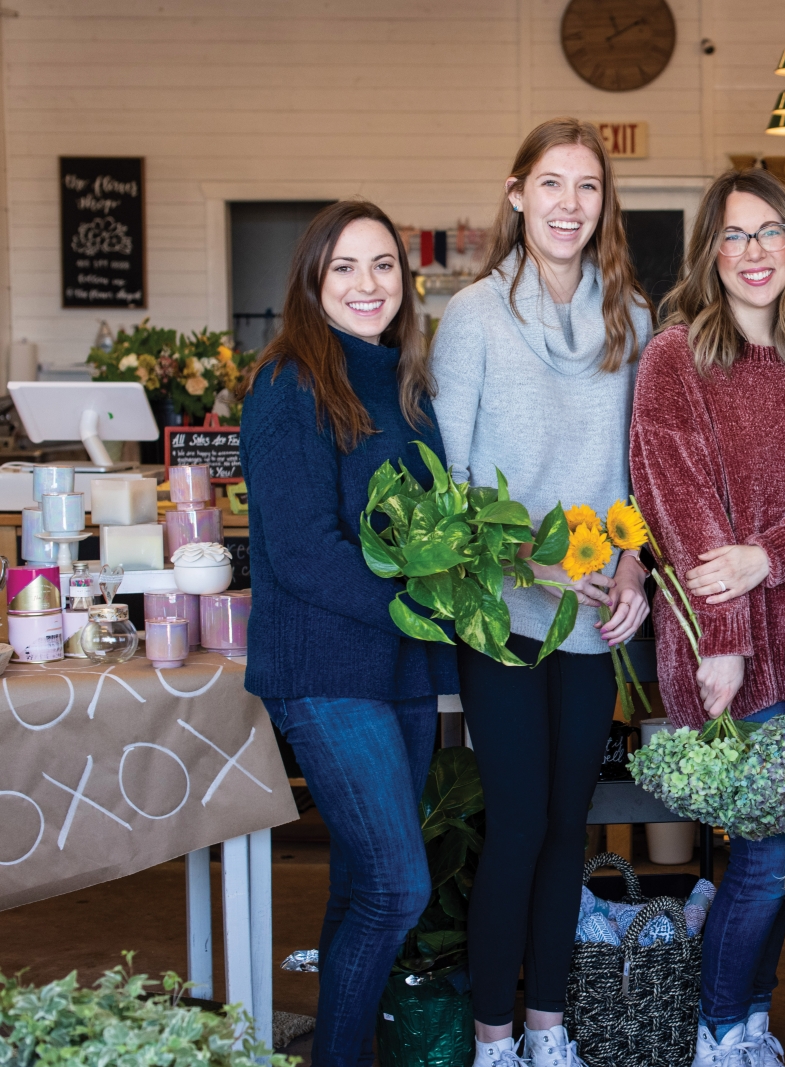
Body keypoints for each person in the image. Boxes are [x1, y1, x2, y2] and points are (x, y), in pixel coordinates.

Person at [630, 166, 785, 1067]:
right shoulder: (676, 358)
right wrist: (722, 640)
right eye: (734, 236)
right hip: (727, 649)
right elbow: (676, 504)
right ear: (710, 254)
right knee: (767, 859)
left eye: (771, 233)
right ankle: (722, 1026)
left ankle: (751, 1024)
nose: (754, 252)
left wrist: (768, 555)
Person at [430, 117, 653, 1067]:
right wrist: (534, 567)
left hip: (598, 614)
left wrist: (635, 563)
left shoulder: (633, 320)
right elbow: (451, 487)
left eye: (588, 187)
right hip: (504, 613)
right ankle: (493, 1036)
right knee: (518, 823)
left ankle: (550, 1030)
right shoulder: (475, 316)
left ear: (605, 204)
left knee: (572, 824)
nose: (570, 204)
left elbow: (643, 473)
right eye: (552, 184)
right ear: (518, 194)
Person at [239, 199, 458, 1067]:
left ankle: (340, 1050)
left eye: (383, 266)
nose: (368, 285)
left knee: (361, 883)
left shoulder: (402, 381)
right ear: (312, 282)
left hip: (397, 671)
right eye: (345, 268)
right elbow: (299, 553)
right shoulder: (290, 382)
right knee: (398, 887)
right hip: (324, 671)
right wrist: (417, 606)